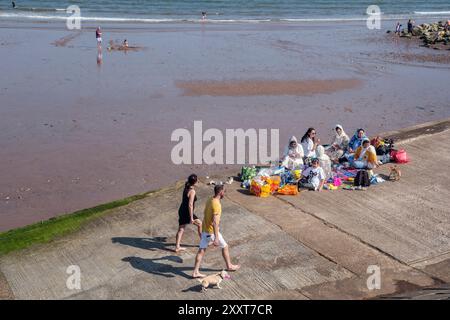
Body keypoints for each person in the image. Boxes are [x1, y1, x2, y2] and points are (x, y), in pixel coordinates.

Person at [192, 185, 240, 278]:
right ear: (221, 192)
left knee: (201, 251)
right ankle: (229, 266)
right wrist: (216, 238)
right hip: (212, 232)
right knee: (225, 246)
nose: (225, 193)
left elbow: (206, 213)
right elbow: (215, 222)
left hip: (205, 230)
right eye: (224, 191)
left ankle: (195, 272)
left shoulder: (210, 199)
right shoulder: (217, 205)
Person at [175, 174, 202, 253]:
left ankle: (177, 247)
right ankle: (203, 242)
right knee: (200, 224)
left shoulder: (186, 186)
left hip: (182, 210)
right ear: (195, 182)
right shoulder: (192, 191)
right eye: (197, 180)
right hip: (187, 212)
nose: (198, 181)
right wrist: (191, 218)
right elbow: (190, 205)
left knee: (181, 229)